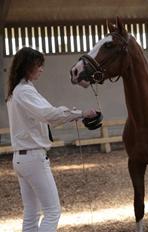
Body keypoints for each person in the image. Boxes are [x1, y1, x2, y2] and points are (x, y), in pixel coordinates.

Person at [6, 47, 97, 232]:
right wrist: (80, 113)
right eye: (38, 65)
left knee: (31, 213)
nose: (41, 69)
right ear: (27, 67)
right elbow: (49, 114)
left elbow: (49, 115)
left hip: (22, 158)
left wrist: (74, 116)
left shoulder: (19, 91)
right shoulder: (24, 92)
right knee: (53, 211)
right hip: (33, 158)